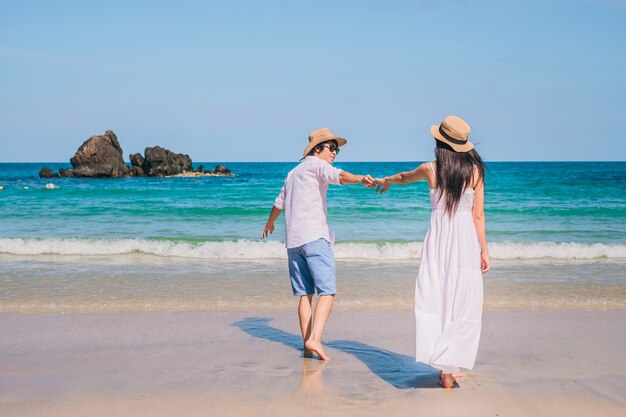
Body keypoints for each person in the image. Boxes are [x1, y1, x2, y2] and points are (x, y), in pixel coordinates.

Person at [374, 115, 489, 388]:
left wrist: (387, 180)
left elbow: (403, 177)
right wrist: (484, 250)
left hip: (439, 239)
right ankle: (451, 364)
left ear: (440, 142)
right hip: (464, 240)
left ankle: (445, 367)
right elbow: (478, 215)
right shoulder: (475, 172)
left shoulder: (430, 169)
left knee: (437, 294)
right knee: (462, 298)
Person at [261, 127, 374, 361]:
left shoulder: (292, 173)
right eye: (331, 148)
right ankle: (315, 339)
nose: (334, 153)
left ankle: (306, 345)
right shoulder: (316, 164)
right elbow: (339, 176)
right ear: (317, 149)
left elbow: (278, 203)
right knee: (327, 291)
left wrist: (269, 223)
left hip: (293, 242)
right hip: (314, 237)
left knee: (305, 295)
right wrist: (361, 179)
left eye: (337, 150)